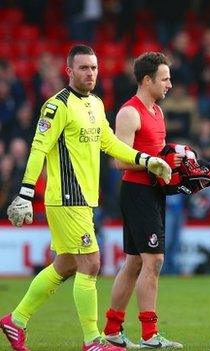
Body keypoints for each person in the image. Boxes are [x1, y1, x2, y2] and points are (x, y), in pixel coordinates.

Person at [0, 45, 172, 351]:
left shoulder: (95, 103)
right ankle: (93, 341)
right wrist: (26, 192)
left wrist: (146, 160)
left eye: (93, 68)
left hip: (85, 198)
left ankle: (16, 321)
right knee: (91, 263)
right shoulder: (57, 106)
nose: (90, 73)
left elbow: (110, 142)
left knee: (65, 264)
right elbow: (38, 148)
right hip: (66, 196)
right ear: (69, 71)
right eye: (83, 68)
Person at [102, 52, 183, 349]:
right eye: (165, 79)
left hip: (154, 192)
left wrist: (176, 159)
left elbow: (158, 155)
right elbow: (120, 161)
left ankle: (112, 329)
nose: (170, 85)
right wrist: (152, 163)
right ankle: (149, 335)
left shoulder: (157, 111)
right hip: (137, 192)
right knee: (155, 260)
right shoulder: (129, 113)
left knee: (134, 262)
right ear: (147, 80)